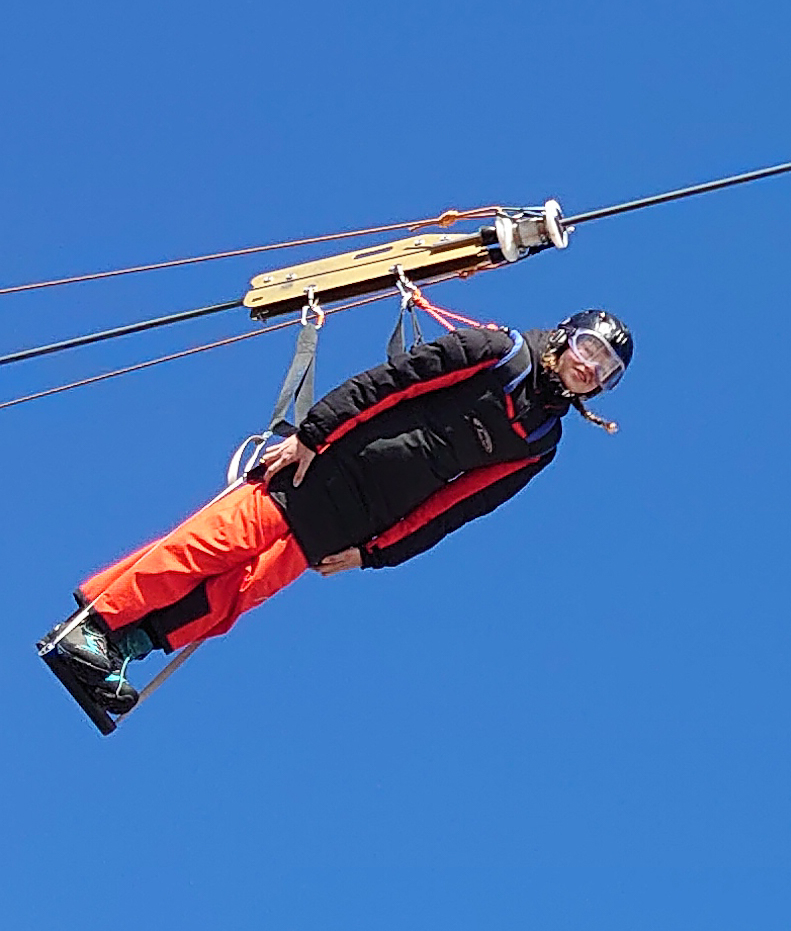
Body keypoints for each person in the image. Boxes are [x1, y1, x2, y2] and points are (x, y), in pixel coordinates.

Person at [40, 308, 634, 721]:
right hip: (315, 472)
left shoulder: (541, 440)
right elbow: (390, 383)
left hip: (356, 520)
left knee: (236, 595)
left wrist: (376, 553)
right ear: (565, 337)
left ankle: (122, 651)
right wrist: (312, 434)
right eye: (588, 349)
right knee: (208, 547)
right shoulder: (496, 352)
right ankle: (94, 625)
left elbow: (457, 507)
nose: (589, 367)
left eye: (604, 368)